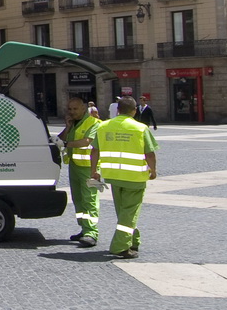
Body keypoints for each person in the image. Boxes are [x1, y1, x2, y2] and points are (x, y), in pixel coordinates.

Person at [90, 96, 158, 259]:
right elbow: (150, 153)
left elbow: (94, 151)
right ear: (134, 111)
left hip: (113, 176)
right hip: (135, 178)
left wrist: (94, 171)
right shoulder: (140, 128)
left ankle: (133, 240)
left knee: (123, 212)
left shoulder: (104, 126)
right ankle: (120, 246)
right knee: (129, 212)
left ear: (118, 110)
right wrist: (153, 170)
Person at [57, 94, 101, 246]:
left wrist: (66, 144)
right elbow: (60, 139)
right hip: (75, 167)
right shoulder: (73, 123)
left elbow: (86, 142)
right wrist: (67, 127)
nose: (72, 112)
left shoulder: (94, 123)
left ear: (84, 108)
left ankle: (92, 232)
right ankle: (84, 228)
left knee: (90, 199)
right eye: (69, 109)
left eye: (75, 108)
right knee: (78, 200)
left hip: (91, 168)